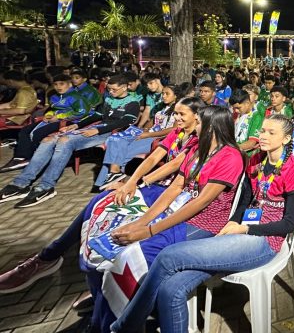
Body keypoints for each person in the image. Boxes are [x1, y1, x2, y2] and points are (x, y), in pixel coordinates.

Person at [109, 114, 294, 333]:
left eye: (272, 133)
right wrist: (231, 224)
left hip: (264, 241)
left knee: (168, 256)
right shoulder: (256, 160)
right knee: (170, 290)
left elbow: (289, 224)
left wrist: (246, 228)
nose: (263, 136)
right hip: (238, 233)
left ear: (286, 139)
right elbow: (243, 201)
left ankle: (125, 326)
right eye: (262, 131)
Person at [0, 97, 204, 295]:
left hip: (170, 193)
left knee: (116, 217)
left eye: (181, 114)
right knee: (100, 201)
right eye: (175, 113)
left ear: (197, 116)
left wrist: (138, 183)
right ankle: (48, 257)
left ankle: (105, 284)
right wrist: (130, 181)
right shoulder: (177, 133)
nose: (176, 117)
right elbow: (154, 158)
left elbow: (173, 165)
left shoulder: (200, 138)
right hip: (154, 185)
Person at [91, 105, 242, 331]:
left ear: (212, 127)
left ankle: (121, 323)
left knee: (131, 255)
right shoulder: (198, 149)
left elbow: (200, 203)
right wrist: (141, 222)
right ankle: (104, 315)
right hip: (178, 214)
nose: (194, 126)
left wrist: (150, 230)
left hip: (203, 223)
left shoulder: (231, 157)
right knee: (113, 245)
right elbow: (175, 188)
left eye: (199, 122)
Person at [0, 74, 141, 206]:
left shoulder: (133, 102)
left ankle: (46, 186)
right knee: (48, 140)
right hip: (97, 127)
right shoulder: (108, 98)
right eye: (109, 89)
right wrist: (76, 125)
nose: (110, 92)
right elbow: (96, 116)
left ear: (125, 87)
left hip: (111, 132)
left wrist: (97, 130)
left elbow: (124, 122)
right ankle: (21, 183)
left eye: (114, 89)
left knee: (64, 141)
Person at [94, 84, 182, 188]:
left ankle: (106, 182)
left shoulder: (178, 110)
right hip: (150, 134)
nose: (163, 96)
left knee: (120, 153)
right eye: (163, 93)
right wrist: (143, 128)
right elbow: (153, 121)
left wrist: (148, 134)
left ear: (176, 96)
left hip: (158, 139)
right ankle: (112, 176)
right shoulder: (162, 107)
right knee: (116, 142)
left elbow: (173, 130)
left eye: (167, 94)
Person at [1, 74, 89, 172]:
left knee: (37, 133)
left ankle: (34, 158)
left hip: (70, 121)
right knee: (25, 130)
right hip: (54, 119)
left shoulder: (76, 97)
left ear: (69, 85)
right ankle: (20, 158)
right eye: (55, 84)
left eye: (61, 84)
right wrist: (49, 115)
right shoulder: (55, 97)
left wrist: (59, 117)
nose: (58, 87)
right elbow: (53, 109)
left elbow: (81, 112)